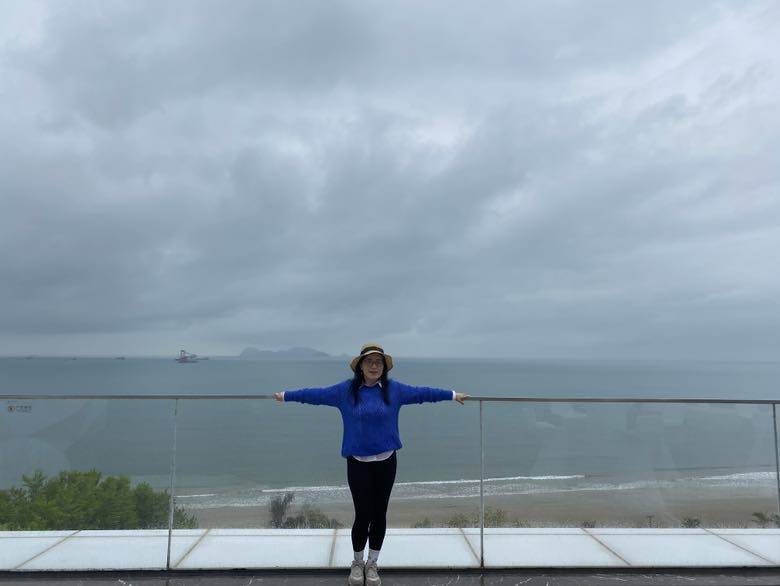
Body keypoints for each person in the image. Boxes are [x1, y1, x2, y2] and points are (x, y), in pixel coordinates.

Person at [274, 343, 468, 586]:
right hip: (358, 463)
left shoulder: (394, 390)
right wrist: (287, 396)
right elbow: (316, 395)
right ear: (361, 366)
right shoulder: (346, 391)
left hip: (387, 462)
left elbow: (423, 394)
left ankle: (372, 563)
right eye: (369, 361)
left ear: (384, 367)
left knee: (379, 514)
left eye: (378, 362)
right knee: (363, 514)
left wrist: (452, 395)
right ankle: (357, 562)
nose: (374, 366)